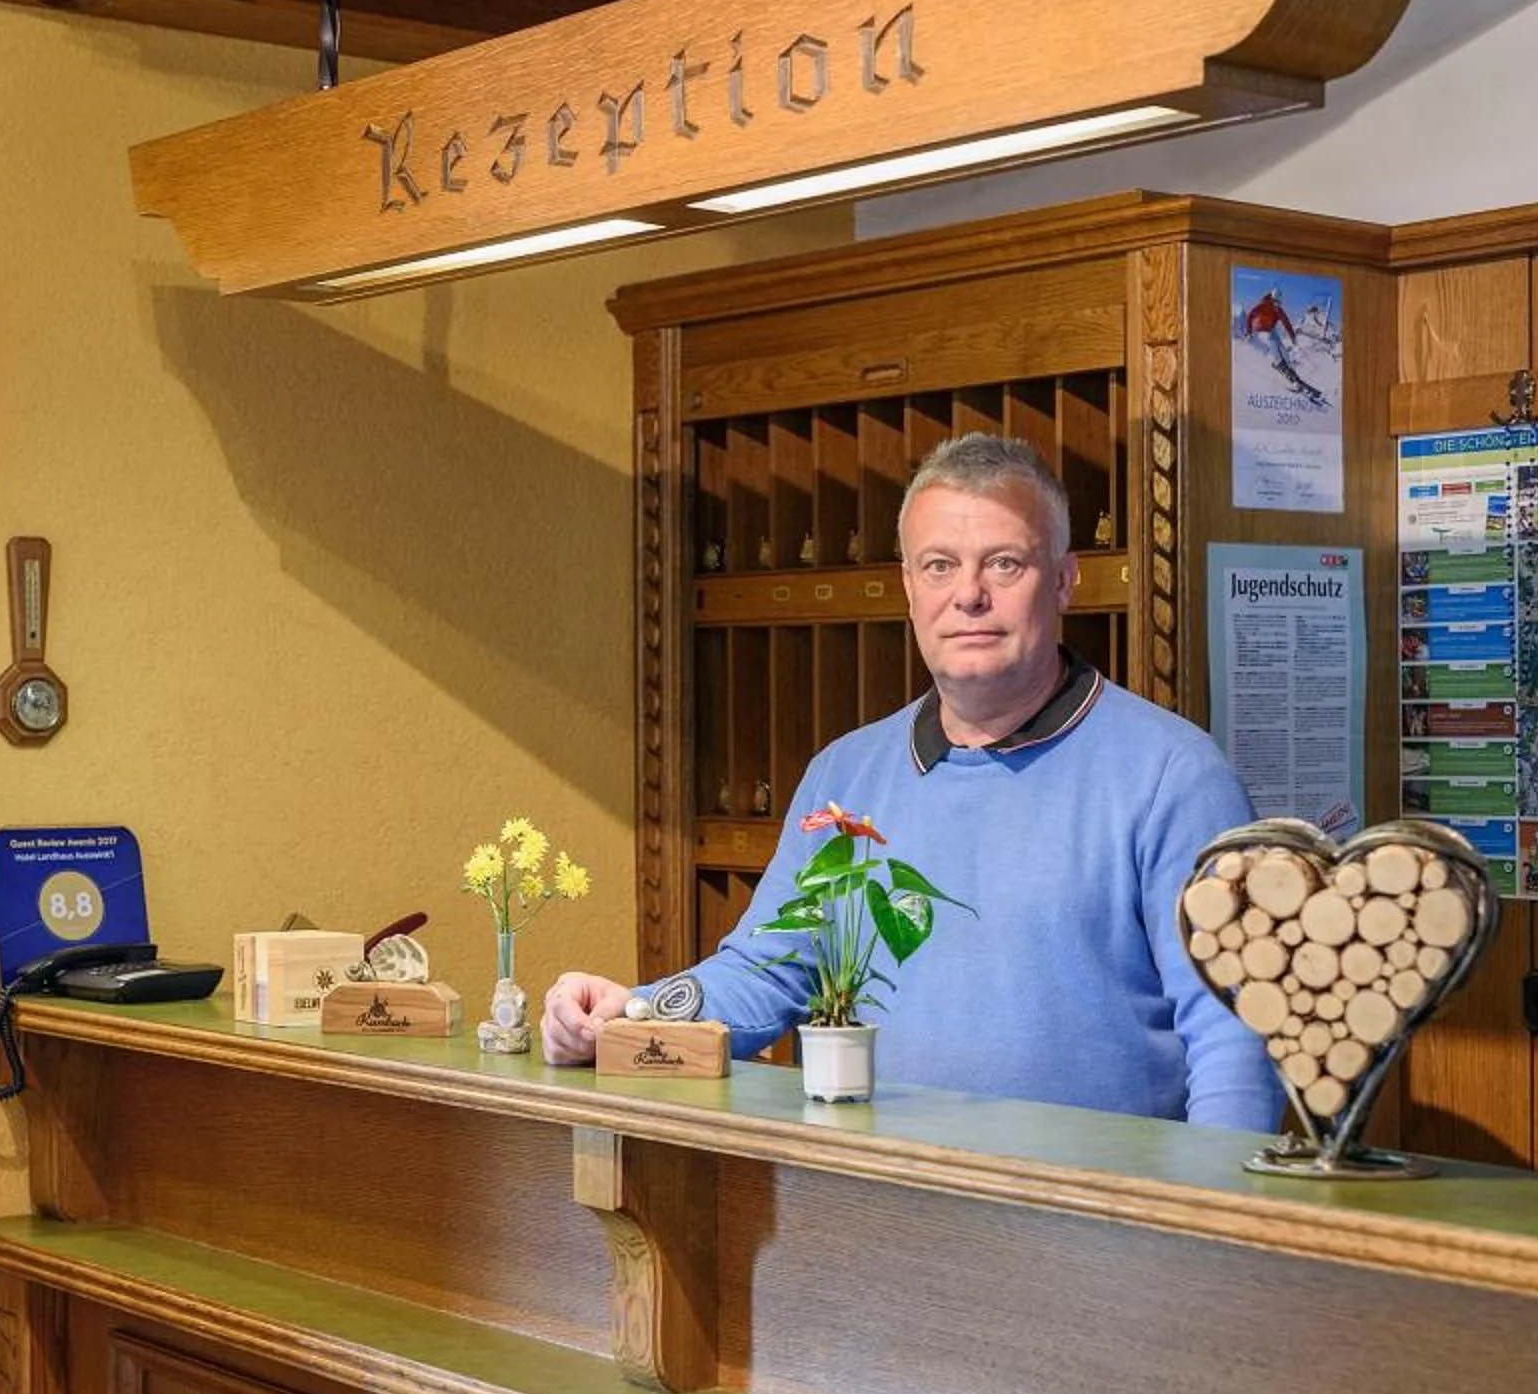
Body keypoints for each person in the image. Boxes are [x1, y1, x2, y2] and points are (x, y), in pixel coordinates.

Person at [542, 434, 1279, 1130]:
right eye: (939, 566)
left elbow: (1235, 1037)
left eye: (1004, 564)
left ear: (1063, 581)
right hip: (883, 1201)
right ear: (907, 585)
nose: (969, 595)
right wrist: (628, 1015)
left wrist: (1210, 1210)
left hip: (1094, 1212)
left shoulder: (1173, 777)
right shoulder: (844, 775)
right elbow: (768, 971)